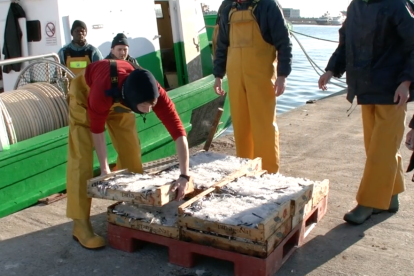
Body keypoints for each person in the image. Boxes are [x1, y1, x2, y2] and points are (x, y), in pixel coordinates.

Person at [66, 59, 191, 249]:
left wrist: (184, 175)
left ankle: (131, 210)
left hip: (120, 100)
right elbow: (97, 130)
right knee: (82, 159)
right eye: (145, 107)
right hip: (87, 97)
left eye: (152, 106)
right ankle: (80, 224)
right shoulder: (102, 91)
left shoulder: (151, 91)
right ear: (132, 100)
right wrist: (105, 169)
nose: (150, 111)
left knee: (131, 151)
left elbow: (179, 133)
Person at [318, 0, 414, 225]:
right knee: (377, 148)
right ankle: (391, 194)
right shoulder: (355, 7)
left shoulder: (396, 5)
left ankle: (367, 202)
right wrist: (331, 70)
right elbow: (346, 44)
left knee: (381, 150)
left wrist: (406, 82)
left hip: (393, 92)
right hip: (366, 89)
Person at [213, 0, 292, 173]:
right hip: (234, 77)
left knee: (263, 125)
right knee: (240, 125)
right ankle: (245, 169)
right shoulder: (228, 8)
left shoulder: (268, 6)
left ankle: (269, 171)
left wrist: (282, 75)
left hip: (261, 76)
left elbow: (284, 43)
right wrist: (218, 75)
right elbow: (222, 46)